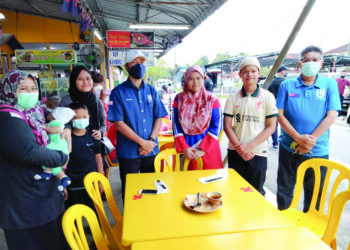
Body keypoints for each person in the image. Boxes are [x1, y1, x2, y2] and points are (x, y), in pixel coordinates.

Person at [0, 71, 69, 250]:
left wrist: (64, 128)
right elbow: (28, 151)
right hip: (25, 201)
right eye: (23, 89)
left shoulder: (34, 112)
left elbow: (58, 120)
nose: (30, 93)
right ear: (9, 90)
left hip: (44, 195)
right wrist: (63, 157)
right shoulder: (6, 117)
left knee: (54, 240)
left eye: (33, 88)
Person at [276, 45, 340, 212]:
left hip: (317, 150)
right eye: (306, 60)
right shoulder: (286, 85)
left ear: (321, 63)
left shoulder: (329, 85)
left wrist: (309, 142)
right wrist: (298, 138)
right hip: (289, 148)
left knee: (314, 197)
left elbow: (331, 115)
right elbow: (279, 116)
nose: (310, 63)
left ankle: (308, 233)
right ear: (299, 64)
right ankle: (284, 225)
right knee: (285, 191)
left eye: (315, 60)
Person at [108, 50, 167, 200]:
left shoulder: (152, 91)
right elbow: (118, 123)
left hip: (151, 151)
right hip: (129, 153)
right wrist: (142, 143)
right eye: (135, 62)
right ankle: (132, 222)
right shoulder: (118, 92)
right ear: (126, 67)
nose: (139, 65)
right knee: (130, 192)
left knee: (151, 190)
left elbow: (159, 116)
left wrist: (151, 141)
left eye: (142, 62)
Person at [223, 57, 278, 195]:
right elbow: (227, 126)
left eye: (253, 71)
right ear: (240, 75)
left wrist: (249, 146)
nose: (250, 74)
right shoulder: (233, 98)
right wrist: (240, 148)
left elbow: (271, 126)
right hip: (235, 151)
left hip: (257, 152)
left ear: (259, 73)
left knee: (256, 192)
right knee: (235, 191)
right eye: (245, 71)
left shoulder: (268, 97)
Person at [173, 65, 223, 170]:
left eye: (198, 78)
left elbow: (217, 126)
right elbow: (175, 125)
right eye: (191, 79)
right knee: (188, 183)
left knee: (210, 182)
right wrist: (184, 147)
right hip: (188, 149)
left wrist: (203, 149)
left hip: (208, 150)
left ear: (203, 79)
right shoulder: (179, 99)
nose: (195, 82)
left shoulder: (212, 99)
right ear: (186, 80)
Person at [65, 102, 104, 210]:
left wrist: (100, 179)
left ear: (89, 117)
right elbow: (63, 162)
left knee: (95, 212)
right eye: (76, 117)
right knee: (74, 214)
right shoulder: (66, 138)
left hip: (91, 183)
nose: (81, 119)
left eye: (84, 117)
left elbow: (98, 158)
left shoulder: (94, 136)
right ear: (69, 119)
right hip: (72, 184)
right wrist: (63, 184)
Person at [60, 65, 106, 141]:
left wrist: (100, 132)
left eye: (88, 78)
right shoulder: (67, 101)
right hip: (72, 144)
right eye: (80, 79)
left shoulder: (97, 101)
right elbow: (59, 123)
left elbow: (103, 123)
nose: (85, 82)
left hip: (95, 146)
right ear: (73, 81)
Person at [34, 107, 76, 191]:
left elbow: (58, 129)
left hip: (56, 146)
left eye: (51, 112)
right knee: (55, 167)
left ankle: (47, 173)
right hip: (58, 146)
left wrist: (45, 127)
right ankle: (64, 178)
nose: (48, 113)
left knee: (46, 156)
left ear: (54, 116)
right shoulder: (54, 121)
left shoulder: (56, 122)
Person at [268, 66, 288, 150]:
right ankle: (284, 142)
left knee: (273, 126)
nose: (286, 73)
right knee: (285, 125)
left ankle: (275, 143)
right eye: (285, 71)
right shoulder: (286, 82)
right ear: (282, 72)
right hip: (284, 107)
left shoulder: (271, 82)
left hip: (272, 106)